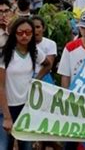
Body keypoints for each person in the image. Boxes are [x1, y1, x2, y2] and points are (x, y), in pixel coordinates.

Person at [0, 17, 51, 150]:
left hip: (26, 107)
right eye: (20, 32)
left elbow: (47, 64)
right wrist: (6, 117)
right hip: (5, 107)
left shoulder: (34, 52)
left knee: (26, 146)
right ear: (14, 34)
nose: (24, 36)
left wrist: (37, 79)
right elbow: (1, 86)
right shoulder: (5, 54)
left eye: (28, 32)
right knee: (4, 145)